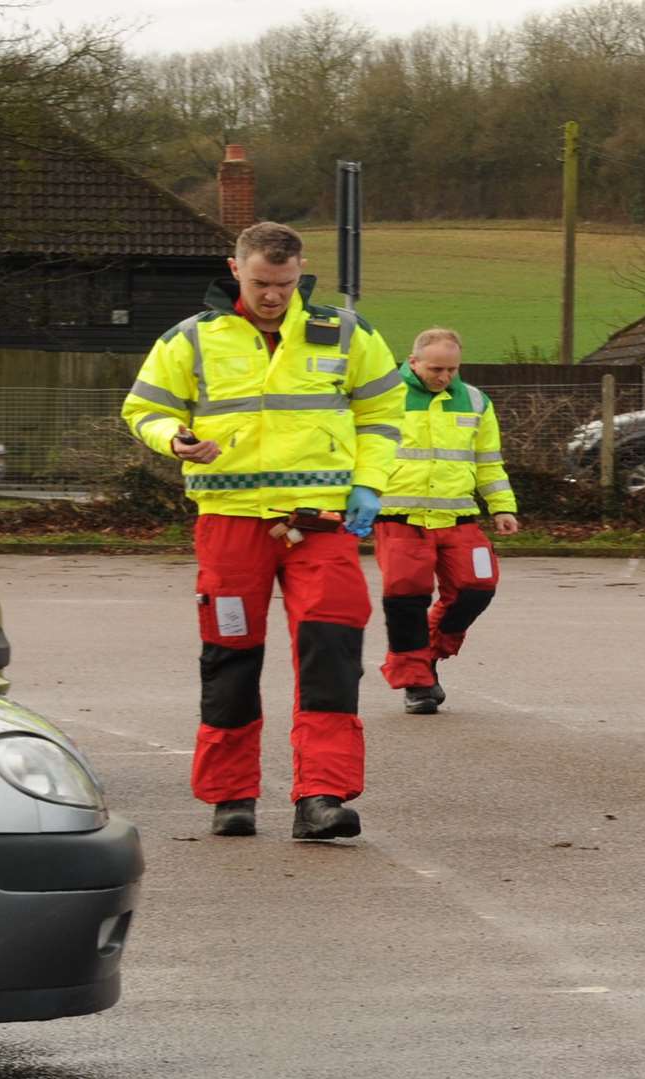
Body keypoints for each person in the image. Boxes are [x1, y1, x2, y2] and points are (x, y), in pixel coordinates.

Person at [121, 221, 404, 839]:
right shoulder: (191, 339)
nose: (273, 294)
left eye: (284, 282)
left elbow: (384, 411)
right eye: (260, 282)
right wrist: (175, 438)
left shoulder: (348, 332)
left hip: (321, 522)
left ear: (301, 272)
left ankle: (321, 797)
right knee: (231, 656)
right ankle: (231, 796)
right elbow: (143, 407)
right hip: (230, 522)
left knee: (331, 653)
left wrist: (371, 483)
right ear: (234, 270)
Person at [373, 327, 519, 715]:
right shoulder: (384, 395)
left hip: (458, 516)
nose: (444, 377)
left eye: (452, 369)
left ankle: (428, 656)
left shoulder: (474, 400)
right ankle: (415, 683)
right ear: (413, 360)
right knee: (406, 597)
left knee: (478, 587)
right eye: (436, 369)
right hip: (399, 516)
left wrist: (502, 506)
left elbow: (488, 460)